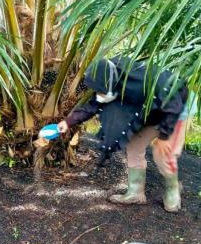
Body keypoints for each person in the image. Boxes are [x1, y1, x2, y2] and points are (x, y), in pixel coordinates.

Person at [58, 56, 191, 213]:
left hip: (175, 107)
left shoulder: (142, 78)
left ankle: (172, 191)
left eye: (101, 91)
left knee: (162, 153)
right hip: (149, 109)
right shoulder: (107, 76)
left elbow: (174, 102)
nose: (100, 94)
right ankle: (136, 192)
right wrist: (68, 122)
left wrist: (164, 137)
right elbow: (95, 104)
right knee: (134, 146)